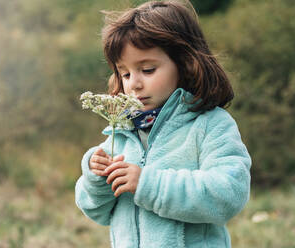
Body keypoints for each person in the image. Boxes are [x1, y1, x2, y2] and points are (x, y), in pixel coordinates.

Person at [75, 1, 251, 247]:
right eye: (125, 74)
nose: (134, 84)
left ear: (186, 63)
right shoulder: (123, 130)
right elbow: (98, 213)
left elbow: (229, 194)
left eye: (147, 69)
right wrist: (96, 178)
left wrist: (148, 184)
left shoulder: (211, 124)